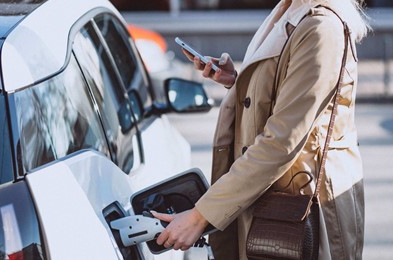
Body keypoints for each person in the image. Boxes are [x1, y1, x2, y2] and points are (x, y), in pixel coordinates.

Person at [151, 0, 371, 259]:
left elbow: (281, 142)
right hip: (273, 199)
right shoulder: (290, 10)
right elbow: (284, 96)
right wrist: (237, 81)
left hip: (301, 208)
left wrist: (201, 216)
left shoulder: (321, 28)